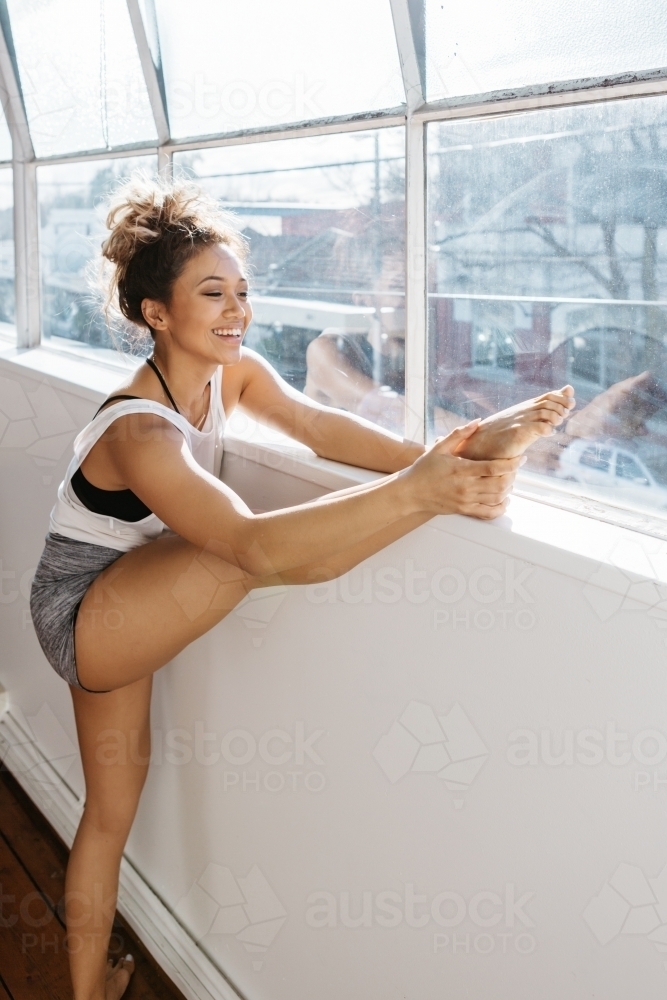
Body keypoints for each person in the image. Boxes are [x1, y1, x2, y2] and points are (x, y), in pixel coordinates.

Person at [29, 178, 575, 1000]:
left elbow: (320, 428)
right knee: (246, 558)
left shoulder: (231, 373)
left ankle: (83, 994)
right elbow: (251, 546)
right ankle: (436, 488)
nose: (235, 310)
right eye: (211, 294)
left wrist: (438, 451)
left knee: (112, 813)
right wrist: (423, 490)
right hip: (80, 609)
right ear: (156, 314)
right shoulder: (140, 430)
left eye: (242, 292)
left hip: (124, 589)